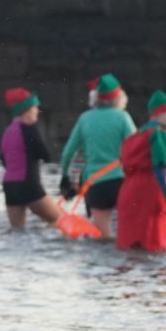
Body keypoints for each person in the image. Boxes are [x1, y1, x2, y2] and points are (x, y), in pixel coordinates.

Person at [59, 73, 137, 238]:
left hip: (96, 183)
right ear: (119, 97)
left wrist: (65, 176)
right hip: (123, 181)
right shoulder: (123, 117)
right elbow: (137, 147)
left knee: (103, 236)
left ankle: (100, 264)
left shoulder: (85, 118)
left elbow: (67, 153)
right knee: (127, 232)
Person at [116, 91, 166, 252]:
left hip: (128, 191)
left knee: (129, 244)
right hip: (151, 191)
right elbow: (160, 169)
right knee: (153, 245)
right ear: (162, 114)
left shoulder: (136, 135)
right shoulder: (159, 134)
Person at [0, 87, 61, 229]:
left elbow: (4, 161)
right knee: (58, 220)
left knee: (18, 231)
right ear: (27, 110)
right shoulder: (30, 128)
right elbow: (45, 154)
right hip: (29, 184)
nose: (37, 112)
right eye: (35, 108)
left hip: (9, 186)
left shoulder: (7, 131)